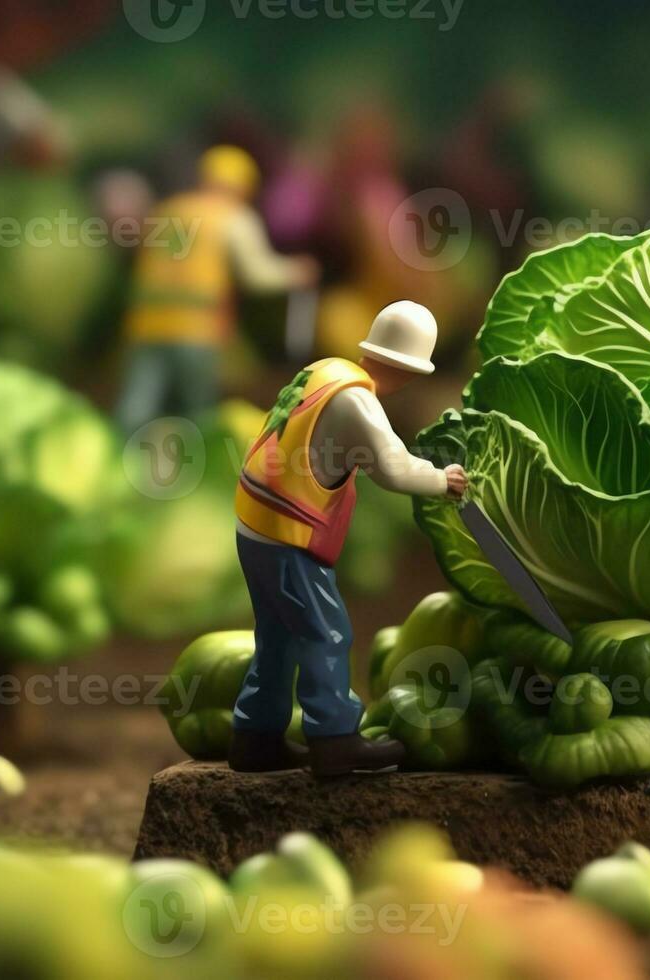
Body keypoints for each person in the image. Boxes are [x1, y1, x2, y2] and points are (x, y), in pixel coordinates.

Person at [228, 301, 468, 778]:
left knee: (277, 636)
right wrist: (445, 480)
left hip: (254, 522)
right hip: (286, 534)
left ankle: (255, 737)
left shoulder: (324, 370)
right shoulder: (358, 401)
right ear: (409, 367)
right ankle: (334, 740)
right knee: (326, 632)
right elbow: (394, 469)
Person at [115, 144, 318, 435]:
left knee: (137, 403)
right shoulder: (232, 216)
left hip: (147, 323)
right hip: (195, 327)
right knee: (197, 408)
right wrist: (296, 272)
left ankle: (118, 458)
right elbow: (257, 275)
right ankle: (201, 466)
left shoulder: (169, 210)